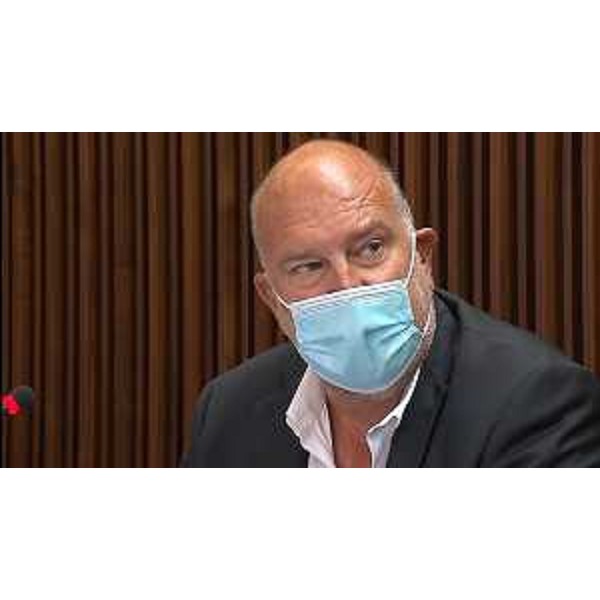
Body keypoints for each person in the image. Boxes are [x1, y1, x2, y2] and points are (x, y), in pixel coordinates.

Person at [182, 140, 600, 467]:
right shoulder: (228, 412)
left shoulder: (534, 403)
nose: (346, 285)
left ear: (422, 256)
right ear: (271, 297)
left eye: (371, 248)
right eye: (308, 266)